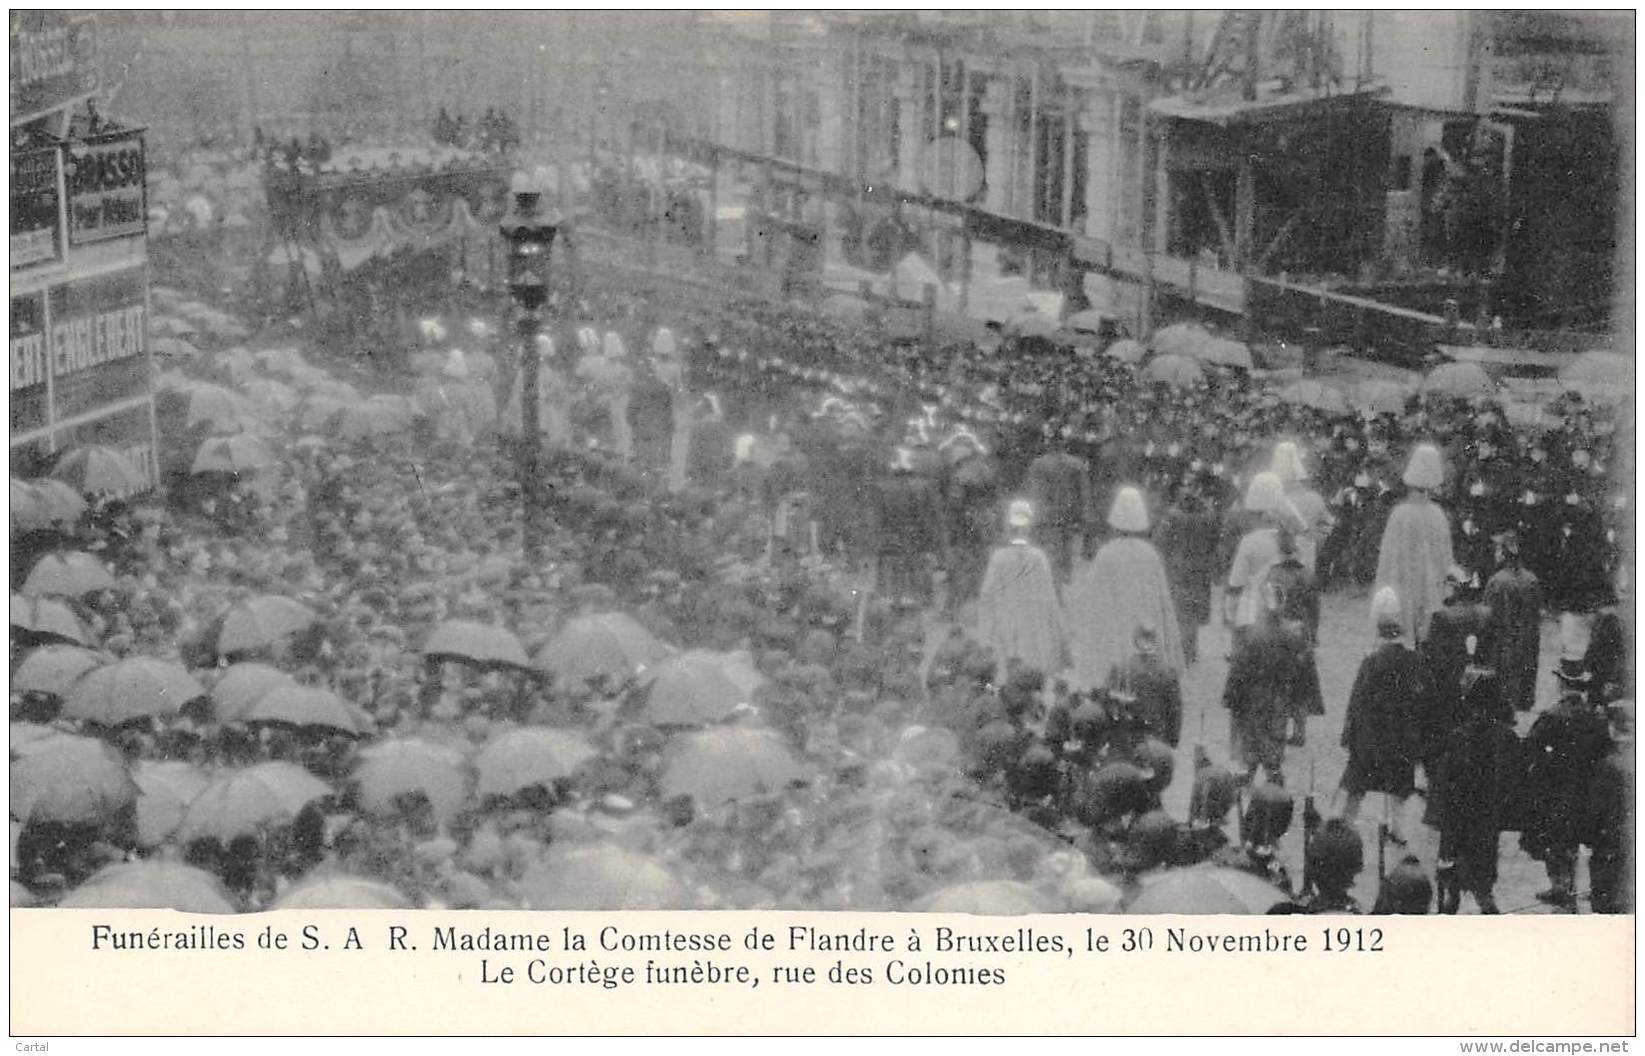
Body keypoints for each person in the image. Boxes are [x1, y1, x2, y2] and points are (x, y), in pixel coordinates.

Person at [1066, 487, 1184, 691]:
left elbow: (1094, 599)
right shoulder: (1150, 555)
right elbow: (1162, 599)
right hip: (1144, 623)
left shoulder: (1106, 555)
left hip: (1114, 627)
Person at [1430, 664, 1518, 914]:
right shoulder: (1505, 737)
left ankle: (1453, 897)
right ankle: (1482, 898)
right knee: (1483, 870)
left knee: (1451, 865)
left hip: (1457, 816)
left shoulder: (1459, 736)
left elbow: (1444, 780)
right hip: (1486, 816)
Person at [1340, 587, 1423, 841]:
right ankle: (1398, 831)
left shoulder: (1372, 662)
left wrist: (1349, 733)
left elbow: (1357, 701)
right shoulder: (1413, 661)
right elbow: (1420, 701)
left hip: (1371, 739)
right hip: (1400, 738)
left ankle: (1345, 825)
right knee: (1399, 788)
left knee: (1356, 786)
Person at [1520, 686, 1611, 910]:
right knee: (1573, 838)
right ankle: (1569, 885)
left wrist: (1542, 766)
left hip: (1555, 787)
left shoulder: (1553, 714)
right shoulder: (1594, 717)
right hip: (1585, 787)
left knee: (1554, 838)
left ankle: (1560, 887)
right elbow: (1605, 750)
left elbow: (1531, 744)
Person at [1222, 585, 1321, 784]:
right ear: (1282, 604)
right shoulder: (1291, 634)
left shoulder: (1249, 634)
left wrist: (1230, 697)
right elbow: (1300, 668)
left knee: (1250, 742)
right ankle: (1273, 783)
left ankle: (1248, 777)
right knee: (1274, 746)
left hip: (1252, 699)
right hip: (1278, 699)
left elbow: (1238, 668)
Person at [1374, 443, 1455, 645]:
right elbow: (1446, 559)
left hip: (1401, 584)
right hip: (1430, 587)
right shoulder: (1438, 516)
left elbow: (1386, 557)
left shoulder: (1400, 514)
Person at [974, 499, 1064, 679]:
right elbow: (1050, 597)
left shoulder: (999, 558)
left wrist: (985, 632)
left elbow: (986, 595)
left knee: (1007, 670)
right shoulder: (1039, 557)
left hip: (1006, 621)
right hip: (1033, 624)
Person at [1152, 470, 1221, 664]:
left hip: (1177, 568)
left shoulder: (1172, 515)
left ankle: (1179, 650)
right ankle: (1191, 650)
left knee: (1179, 609)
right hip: (1200, 569)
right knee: (1194, 610)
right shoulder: (1209, 514)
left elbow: (1159, 541)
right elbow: (1215, 541)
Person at [1224, 472, 1289, 646]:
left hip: (1252, 614)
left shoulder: (1249, 541)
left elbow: (1236, 583)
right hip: (1283, 610)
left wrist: (1230, 615)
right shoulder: (1288, 539)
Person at [1482, 530, 1542, 713]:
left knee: (1503, 692)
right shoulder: (1532, 580)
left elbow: (1487, 618)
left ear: (1504, 553)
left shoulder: (1496, 581)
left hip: (1503, 645)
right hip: (1527, 643)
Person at [1104, 625, 1182, 748]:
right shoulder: (1168, 670)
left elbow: (1108, 700)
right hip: (1157, 734)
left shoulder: (1120, 668)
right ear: (1155, 641)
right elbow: (1174, 709)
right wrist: (1173, 739)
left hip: (1129, 734)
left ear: (1135, 641)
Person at [1024, 444, 1091, 584]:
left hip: (1046, 516)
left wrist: (1034, 515)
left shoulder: (1038, 465)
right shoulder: (1076, 464)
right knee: (1067, 549)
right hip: (1069, 513)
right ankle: (1064, 579)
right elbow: (1084, 492)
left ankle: (1051, 581)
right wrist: (1085, 513)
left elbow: (1034, 492)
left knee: (1049, 551)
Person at [1270, 440, 1334, 574]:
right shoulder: (1314, 497)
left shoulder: (1274, 500)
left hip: (1281, 554)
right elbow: (1329, 524)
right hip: (1308, 549)